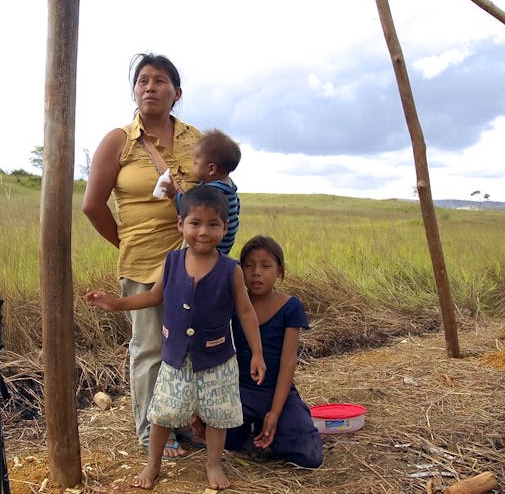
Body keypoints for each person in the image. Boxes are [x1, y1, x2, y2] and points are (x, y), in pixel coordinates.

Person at [86, 185, 267, 490]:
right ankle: (153, 464)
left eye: (213, 224)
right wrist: (116, 303)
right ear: (181, 225)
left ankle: (213, 463)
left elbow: (247, 313)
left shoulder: (230, 270)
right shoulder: (171, 262)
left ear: (225, 228)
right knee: (162, 413)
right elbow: (154, 296)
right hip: (175, 358)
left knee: (217, 415)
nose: (203, 232)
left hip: (217, 360)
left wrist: (258, 354)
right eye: (195, 223)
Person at [82, 53, 200, 459]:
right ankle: (150, 431)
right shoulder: (118, 141)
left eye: (161, 80)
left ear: (177, 93)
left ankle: (182, 424)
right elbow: (92, 206)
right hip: (143, 261)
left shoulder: (194, 139)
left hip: (193, 260)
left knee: (188, 344)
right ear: (135, 90)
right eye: (143, 80)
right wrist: (126, 242)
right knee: (150, 348)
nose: (150, 87)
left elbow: (215, 193)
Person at [225, 235, 324, 468]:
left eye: (266, 266)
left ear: (279, 271)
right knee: (222, 441)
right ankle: (251, 431)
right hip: (240, 392)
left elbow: (288, 362)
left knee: (309, 456)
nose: (256, 272)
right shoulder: (233, 305)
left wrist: (275, 413)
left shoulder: (290, 306)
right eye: (248, 265)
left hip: (277, 392)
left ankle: (274, 427)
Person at [167, 129, 241, 255]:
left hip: (208, 247)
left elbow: (189, 207)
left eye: (196, 163)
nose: (192, 166)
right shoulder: (230, 189)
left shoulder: (211, 192)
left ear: (211, 169)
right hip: (223, 249)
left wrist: (174, 195)